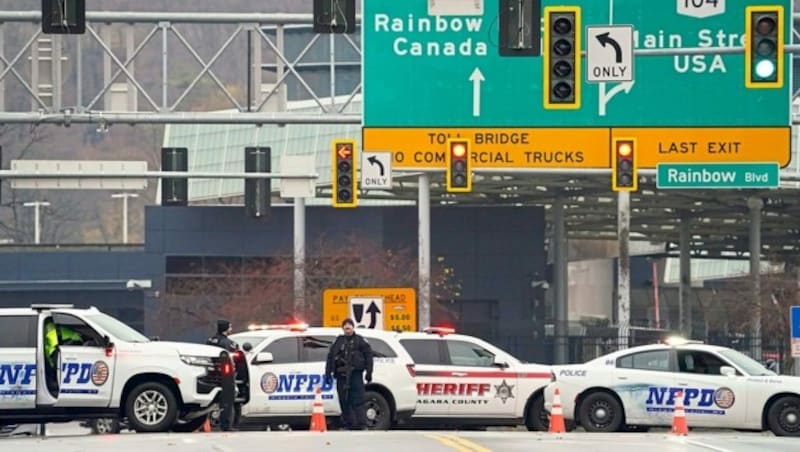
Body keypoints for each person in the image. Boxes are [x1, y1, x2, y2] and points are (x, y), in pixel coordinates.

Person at [325, 318, 374, 430]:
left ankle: (361, 424)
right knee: (344, 400)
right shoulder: (338, 341)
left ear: (353, 327)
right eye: (345, 327)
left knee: (358, 399)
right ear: (343, 328)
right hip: (341, 375)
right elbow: (330, 357)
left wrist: (369, 372)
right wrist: (328, 373)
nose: (347, 329)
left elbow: (368, 356)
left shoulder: (360, 341)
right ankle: (349, 423)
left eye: (349, 326)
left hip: (355, 375)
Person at [206, 319, 239, 431]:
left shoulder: (210, 340)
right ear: (225, 329)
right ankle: (227, 425)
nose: (231, 329)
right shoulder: (227, 343)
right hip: (226, 375)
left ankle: (207, 424)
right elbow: (236, 352)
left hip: (210, 373)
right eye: (230, 327)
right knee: (228, 400)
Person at [43, 318, 83, 395]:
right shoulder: (50, 328)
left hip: (68, 346)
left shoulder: (50, 328)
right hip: (63, 347)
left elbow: (55, 345)